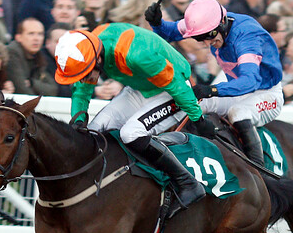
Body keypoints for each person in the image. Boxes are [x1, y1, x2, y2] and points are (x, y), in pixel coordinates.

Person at [53, 24, 216, 208]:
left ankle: (188, 183)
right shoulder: (90, 45)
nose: (84, 79)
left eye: (85, 74)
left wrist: (198, 118)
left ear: (98, 59)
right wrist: (79, 122)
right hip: (140, 88)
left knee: (131, 133)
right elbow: (82, 91)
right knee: (92, 133)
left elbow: (176, 85)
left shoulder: (136, 54)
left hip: (174, 89)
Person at [145, 0, 285, 166]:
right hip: (234, 89)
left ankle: (258, 170)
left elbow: (250, 81)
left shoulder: (247, 36)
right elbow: (171, 32)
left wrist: (211, 90)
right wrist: (157, 22)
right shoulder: (207, 22)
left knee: (238, 113)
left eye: (210, 35)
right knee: (189, 104)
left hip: (266, 93)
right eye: (199, 38)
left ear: (223, 22)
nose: (206, 42)